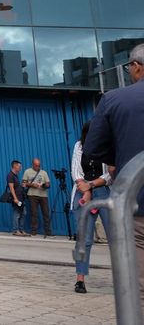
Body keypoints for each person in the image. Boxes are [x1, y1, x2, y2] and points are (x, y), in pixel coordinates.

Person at [83, 42, 144, 310]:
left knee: (138, 284)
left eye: (130, 66)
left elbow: (93, 149)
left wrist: (120, 157)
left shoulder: (114, 99)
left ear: (137, 67)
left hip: (137, 201)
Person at [72, 121, 111, 294]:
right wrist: (85, 190)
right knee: (84, 240)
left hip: (103, 191)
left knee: (116, 239)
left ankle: (124, 278)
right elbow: (76, 172)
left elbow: (110, 174)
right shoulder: (79, 146)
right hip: (82, 191)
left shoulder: (108, 146)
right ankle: (80, 279)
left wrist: (91, 186)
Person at [23, 158, 52, 237]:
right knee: (34, 213)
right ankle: (33, 231)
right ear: (32, 164)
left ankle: (48, 232)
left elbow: (48, 183)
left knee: (46, 213)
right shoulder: (27, 171)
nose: (37, 167)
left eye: (39, 165)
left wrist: (45, 185)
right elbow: (23, 183)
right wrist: (32, 185)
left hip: (43, 195)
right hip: (32, 195)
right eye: (36, 165)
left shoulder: (44, 172)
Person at [5, 160, 26, 236]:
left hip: (20, 197)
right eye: (19, 166)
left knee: (23, 213)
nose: (20, 168)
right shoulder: (10, 175)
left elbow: (16, 186)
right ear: (15, 166)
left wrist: (22, 186)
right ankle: (15, 230)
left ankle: (21, 230)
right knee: (17, 213)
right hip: (16, 198)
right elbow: (11, 188)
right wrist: (15, 199)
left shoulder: (15, 175)